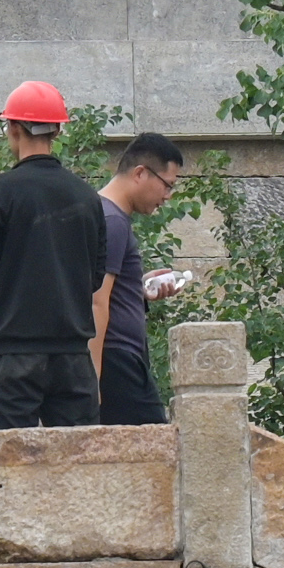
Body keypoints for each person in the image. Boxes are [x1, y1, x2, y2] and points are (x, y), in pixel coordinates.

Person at [0, 82, 110, 433]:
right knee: (79, 462)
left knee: (13, 466)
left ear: (13, 128)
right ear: (58, 129)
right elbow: (94, 277)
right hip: (73, 356)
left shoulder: (0, 190)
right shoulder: (88, 196)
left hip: (14, 354)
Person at [92, 132, 187, 427]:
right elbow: (96, 300)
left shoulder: (101, 213)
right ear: (140, 173)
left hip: (115, 359)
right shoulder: (113, 221)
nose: (168, 196)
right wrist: (91, 379)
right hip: (116, 362)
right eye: (167, 185)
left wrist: (138, 289)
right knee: (156, 457)